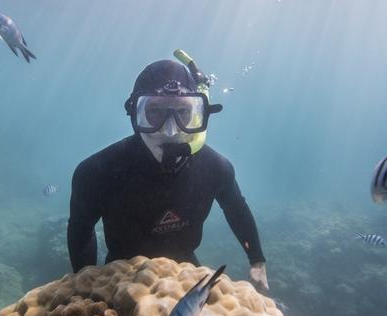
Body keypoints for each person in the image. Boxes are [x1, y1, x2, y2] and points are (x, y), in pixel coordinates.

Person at [67, 56, 269, 292]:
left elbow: (236, 209)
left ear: (198, 114)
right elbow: (81, 229)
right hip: (120, 279)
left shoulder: (217, 169)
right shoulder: (96, 172)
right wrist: (84, 283)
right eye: (155, 112)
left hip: (185, 273)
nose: (170, 130)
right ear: (134, 113)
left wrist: (257, 260)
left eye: (183, 112)